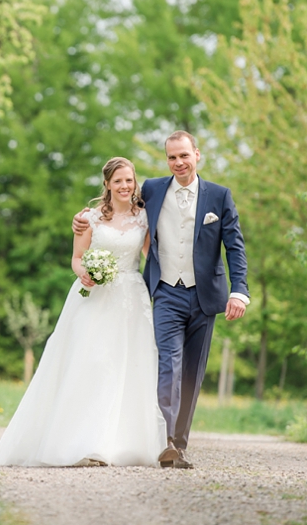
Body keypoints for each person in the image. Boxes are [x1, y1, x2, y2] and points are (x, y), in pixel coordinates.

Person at [72, 131, 249, 469]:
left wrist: (239, 290)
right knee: (168, 362)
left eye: (184, 155)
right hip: (166, 292)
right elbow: (116, 208)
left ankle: (177, 445)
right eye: (172, 157)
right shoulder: (152, 190)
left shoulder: (220, 197)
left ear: (197, 155)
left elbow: (235, 247)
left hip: (205, 294)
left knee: (193, 373)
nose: (178, 163)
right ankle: (164, 441)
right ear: (166, 160)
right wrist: (81, 221)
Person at [0, 157, 166, 467]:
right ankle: (82, 442)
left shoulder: (145, 218)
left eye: (129, 180)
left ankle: (118, 444)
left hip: (130, 298)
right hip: (93, 297)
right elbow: (77, 258)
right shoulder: (88, 218)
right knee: (91, 361)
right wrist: (85, 273)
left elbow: (153, 255)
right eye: (118, 181)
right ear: (108, 184)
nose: (125, 186)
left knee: (128, 364)